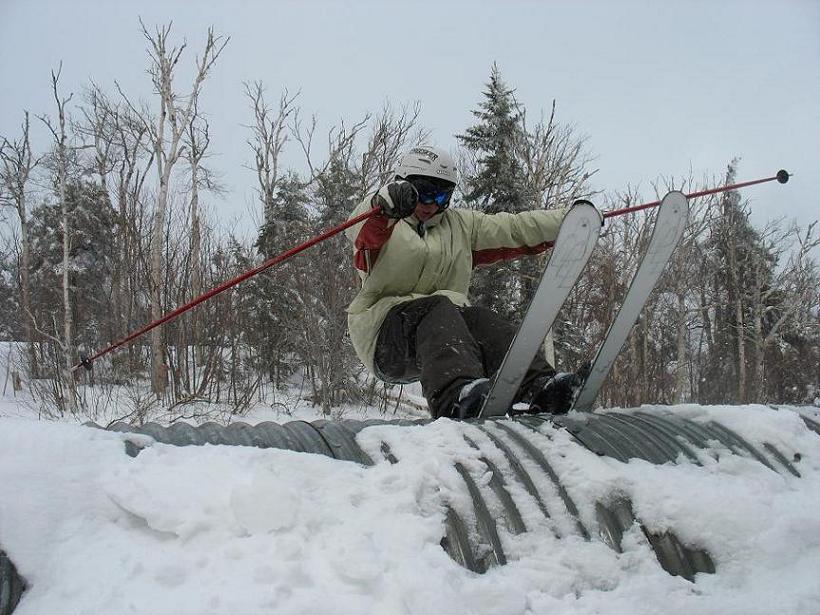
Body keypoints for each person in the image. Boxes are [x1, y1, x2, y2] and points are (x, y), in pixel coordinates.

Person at [345, 146, 592, 419]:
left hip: (442, 338)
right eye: (424, 192)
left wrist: (573, 221)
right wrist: (383, 206)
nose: (432, 204)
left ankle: (541, 386)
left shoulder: (460, 226)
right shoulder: (384, 220)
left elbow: (515, 229)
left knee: (479, 318)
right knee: (438, 307)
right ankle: (455, 397)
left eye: (442, 196)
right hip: (385, 338)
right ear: (405, 185)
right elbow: (360, 228)